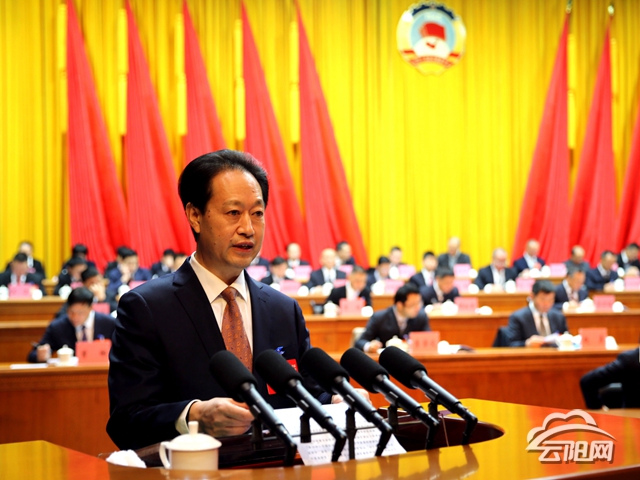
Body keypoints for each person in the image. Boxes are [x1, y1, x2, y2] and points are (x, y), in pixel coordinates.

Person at [107, 150, 339, 451]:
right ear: (195, 216)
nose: (248, 228)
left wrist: (335, 401)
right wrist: (193, 416)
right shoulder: (147, 308)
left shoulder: (284, 309)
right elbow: (126, 421)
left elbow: (305, 394)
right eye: (233, 213)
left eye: (257, 213)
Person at [27, 287, 115, 363]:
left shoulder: (109, 323)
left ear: (91, 308)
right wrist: (40, 355)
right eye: (71, 312)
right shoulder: (58, 326)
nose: (75, 317)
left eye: (80, 313)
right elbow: (32, 355)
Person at [355, 283, 429, 353]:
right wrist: (369, 346)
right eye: (413, 304)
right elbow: (360, 342)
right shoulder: (380, 317)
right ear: (399, 305)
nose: (417, 308)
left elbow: (428, 338)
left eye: (419, 303)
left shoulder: (421, 317)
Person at [505, 280, 569, 347]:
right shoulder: (518, 317)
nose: (547, 304)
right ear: (532, 296)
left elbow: (566, 337)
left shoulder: (558, 316)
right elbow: (511, 345)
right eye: (543, 299)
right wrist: (526, 343)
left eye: (550, 300)